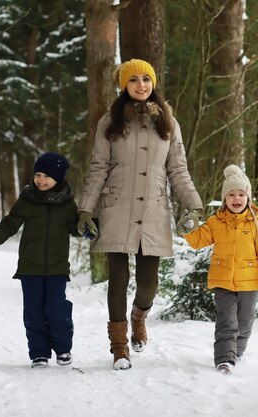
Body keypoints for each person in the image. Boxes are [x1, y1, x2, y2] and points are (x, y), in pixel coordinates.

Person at [76, 58, 203, 370]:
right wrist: (86, 210)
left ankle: (139, 317)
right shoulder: (110, 122)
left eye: (146, 79)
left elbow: (178, 169)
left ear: (153, 83)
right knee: (118, 277)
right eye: (134, 80)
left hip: (153, 209)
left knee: (149, 283)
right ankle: (119, 347)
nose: (141, 85)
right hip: (116, 208)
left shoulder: (169, 124)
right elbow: (98, 168)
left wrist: (193, 204)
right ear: (124, 85)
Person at [0, 152, 79, 369]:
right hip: (30, 268)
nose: (40, 179)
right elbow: (9, 224)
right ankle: (39, 353)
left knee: (56, 309)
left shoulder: (68, 204)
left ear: (58, 178)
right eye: (38, 174)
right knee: (34, 311)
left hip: (57, 268)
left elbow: (75, 227)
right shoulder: (28, 199)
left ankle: (63, 349)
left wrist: (87, 228)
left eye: (46, 176)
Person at [182, 164, 258, 375]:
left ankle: (237, 352)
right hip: (223, 279)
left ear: (248, 198)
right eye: (231, 195)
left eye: (241, 194)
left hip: (250, 280)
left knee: (245, 322)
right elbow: (199, 240)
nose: (236, 199)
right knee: (226, 321)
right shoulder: (215, 222)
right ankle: (225, 358)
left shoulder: (256, 224)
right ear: (224, 199)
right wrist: (190, 228)